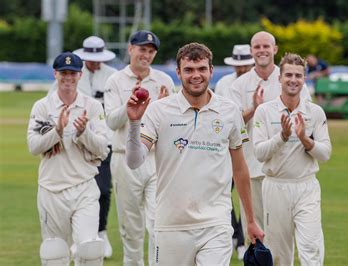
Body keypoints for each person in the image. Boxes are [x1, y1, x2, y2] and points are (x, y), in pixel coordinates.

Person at [125, 42, 264, 265]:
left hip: (216, 223)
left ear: (211, 70)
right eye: (189, 70)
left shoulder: (229, 111)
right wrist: (134, 122)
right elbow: (134, 161)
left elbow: (240, 170)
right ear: (178, 72)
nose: (196, 75)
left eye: (201, 69)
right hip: (171, 224)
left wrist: (250, 221)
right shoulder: (159, 110)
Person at [228, 31, 312, 246]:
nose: (262, 50)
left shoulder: (290, 79)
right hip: (252, 169)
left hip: (285, 171)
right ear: (251, 51)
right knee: (256, 233)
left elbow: (307, 121)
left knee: (283, 235)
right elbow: (233, 126)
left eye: (266, 46)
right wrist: (254, 109)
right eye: (257, 47)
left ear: (274, 49)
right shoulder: (239, 85)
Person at [27, 52, 109, 265]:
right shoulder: (42, 107)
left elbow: (103, 149)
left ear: (80, 75)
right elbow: (34, 146)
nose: (68, 78)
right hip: (51, 189)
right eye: (64, 72)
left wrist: (84, 133)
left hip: (84, 187)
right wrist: (58, 130)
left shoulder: (92, 106)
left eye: (73, 73)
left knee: (90, 249)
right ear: (55, 73)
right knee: (55, 252)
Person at [253, 53, 331, 265]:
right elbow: (259, 153)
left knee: (311, 247)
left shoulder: (314, 112)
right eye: (288, 75)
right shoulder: (264, 111)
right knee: (279, 253)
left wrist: (305, 139)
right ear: (280, 77)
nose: (293, 80)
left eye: (298, 75)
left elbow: (325, 154)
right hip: (275, 186)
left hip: (306, 186)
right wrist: (282, 137)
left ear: (304, 78)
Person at [104, 30, 174, 266]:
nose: (146, 54)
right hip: (124, 159)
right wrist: (129, 104)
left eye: (151, 51)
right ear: (130, 48)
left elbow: (173, 126)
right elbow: (112, 122)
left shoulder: (164, 81)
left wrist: (164, 107)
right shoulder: (115, 81)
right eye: (142, 49)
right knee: (130, 226)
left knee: (158, 222)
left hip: (156, 159)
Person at [72, 35, 117, 258]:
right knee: (76, 190)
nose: (95, 62)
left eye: (98, 58)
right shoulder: (73, 74)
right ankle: (77, 237)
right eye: (91, 59)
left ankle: (101, 232)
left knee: (103, 190)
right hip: (76, 143)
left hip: (103, 140)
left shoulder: (112, 76)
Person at [214, 43, 255, 259]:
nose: (241, 69)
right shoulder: (224, 84)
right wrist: (252, 110)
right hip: (226, 148)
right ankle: (235, 237)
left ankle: (244, 240)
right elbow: (229, 120)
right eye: (238, 65)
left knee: (247, 195)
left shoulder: (257, 84)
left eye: (245, 65)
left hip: (252, 150)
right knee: (223, 194)